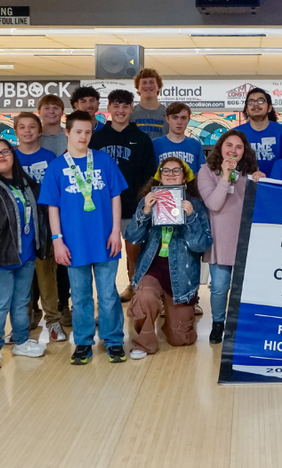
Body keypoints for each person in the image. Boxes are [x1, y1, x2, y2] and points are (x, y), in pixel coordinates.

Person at [39, 111, 129, 365]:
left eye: (88, 132)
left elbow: (115, 197)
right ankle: (83, 341)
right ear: (67, 132)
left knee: (108, 294)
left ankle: (113, 340)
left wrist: (114, 231)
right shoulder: (57, 167)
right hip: (73, 242)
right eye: (78, 131)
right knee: (79, 296)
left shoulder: (104, 161)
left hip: (104, 239)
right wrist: (57, 240)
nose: (83, 137)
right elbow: (52, 207)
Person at [0, 139, 48, 369]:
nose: (1, 156)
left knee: (21, 302)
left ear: (13, 155)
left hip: (24, 256)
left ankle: (21, 341)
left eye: (5, 151)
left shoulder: (25, 184)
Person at [125, 158, 213, 359]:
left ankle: (171, 321)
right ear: (159, 177)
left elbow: (202, 245)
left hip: (182, 276)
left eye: (177, 171)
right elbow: (132, 237)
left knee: (181, 339)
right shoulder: (149, 200)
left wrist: (190, 218)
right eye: (166, 170)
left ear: (184, 178)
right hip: (153, 268)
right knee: (145, 296)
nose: (171, 174)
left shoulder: (196, 206)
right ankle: (145, 339)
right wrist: (145, 212)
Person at [197, 131, 265, 344]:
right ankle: (218, 323)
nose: (233, 151)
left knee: (243, 288)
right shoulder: (206, 171)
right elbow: (214, 204)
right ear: (220, 147)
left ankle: (240, 326)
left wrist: (263, 182)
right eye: (229, 145)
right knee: (219, 287)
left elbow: (261, 205)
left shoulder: (251, 172)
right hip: (220, 239)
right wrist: (225, 177)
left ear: (244, 151)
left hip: (246, 239)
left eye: (239, 147)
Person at [90, 89, 157, 303]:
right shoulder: (96, 139)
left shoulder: (142, 139)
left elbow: (150, 174)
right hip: (102, 207)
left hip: (133, 206)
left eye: (125, 106)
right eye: (116, 106)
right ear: (108, 108)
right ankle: (106, 292)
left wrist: (142, 203)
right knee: (104, 254)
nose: (120, 110)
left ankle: (133, 286)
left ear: (131, 108)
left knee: (134, 251)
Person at [13, 112, 67, 342]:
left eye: (32, 127)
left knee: (47, 277)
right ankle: (21, 323)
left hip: (44, 226)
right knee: (21, 278)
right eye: (22, 127)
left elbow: (57, 190)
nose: (27, 131)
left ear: (39, 130)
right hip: (17, 228)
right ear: (16, 131)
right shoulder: (10, 156)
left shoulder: (50, 156)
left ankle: (53, 322)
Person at [37, 95, 71, 325]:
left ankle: (62, 306)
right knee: (36, 262)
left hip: (66, 205)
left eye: (55, 108)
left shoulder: (68, 136)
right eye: (46, 108)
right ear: (40, 111)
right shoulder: (32, 136)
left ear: (62, 112)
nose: (51, 111)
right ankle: (33, 310)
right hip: (35, 210)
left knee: (63, 260)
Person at [234, 88, 282, 177]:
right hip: (243, 187)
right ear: (246, 110)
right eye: (251, 102)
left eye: (260, 101)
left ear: (269, 108)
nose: (255, 104)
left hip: (276, 186)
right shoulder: (235, 134)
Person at [153, 102, 206, 174]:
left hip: (189, 185)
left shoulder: (195, 144)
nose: (179, 122)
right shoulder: (156, 144)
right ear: (167, 119)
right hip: (162, 185)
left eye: (183, 118)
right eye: (175, 117)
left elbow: (201, 174)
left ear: (188, 120)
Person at [131, 68, 167, 139]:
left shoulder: (168, 114)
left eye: (152, 82)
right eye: (144, 83)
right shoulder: (130, 114)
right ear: (138, 87)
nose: (148, 86)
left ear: (158, 87)